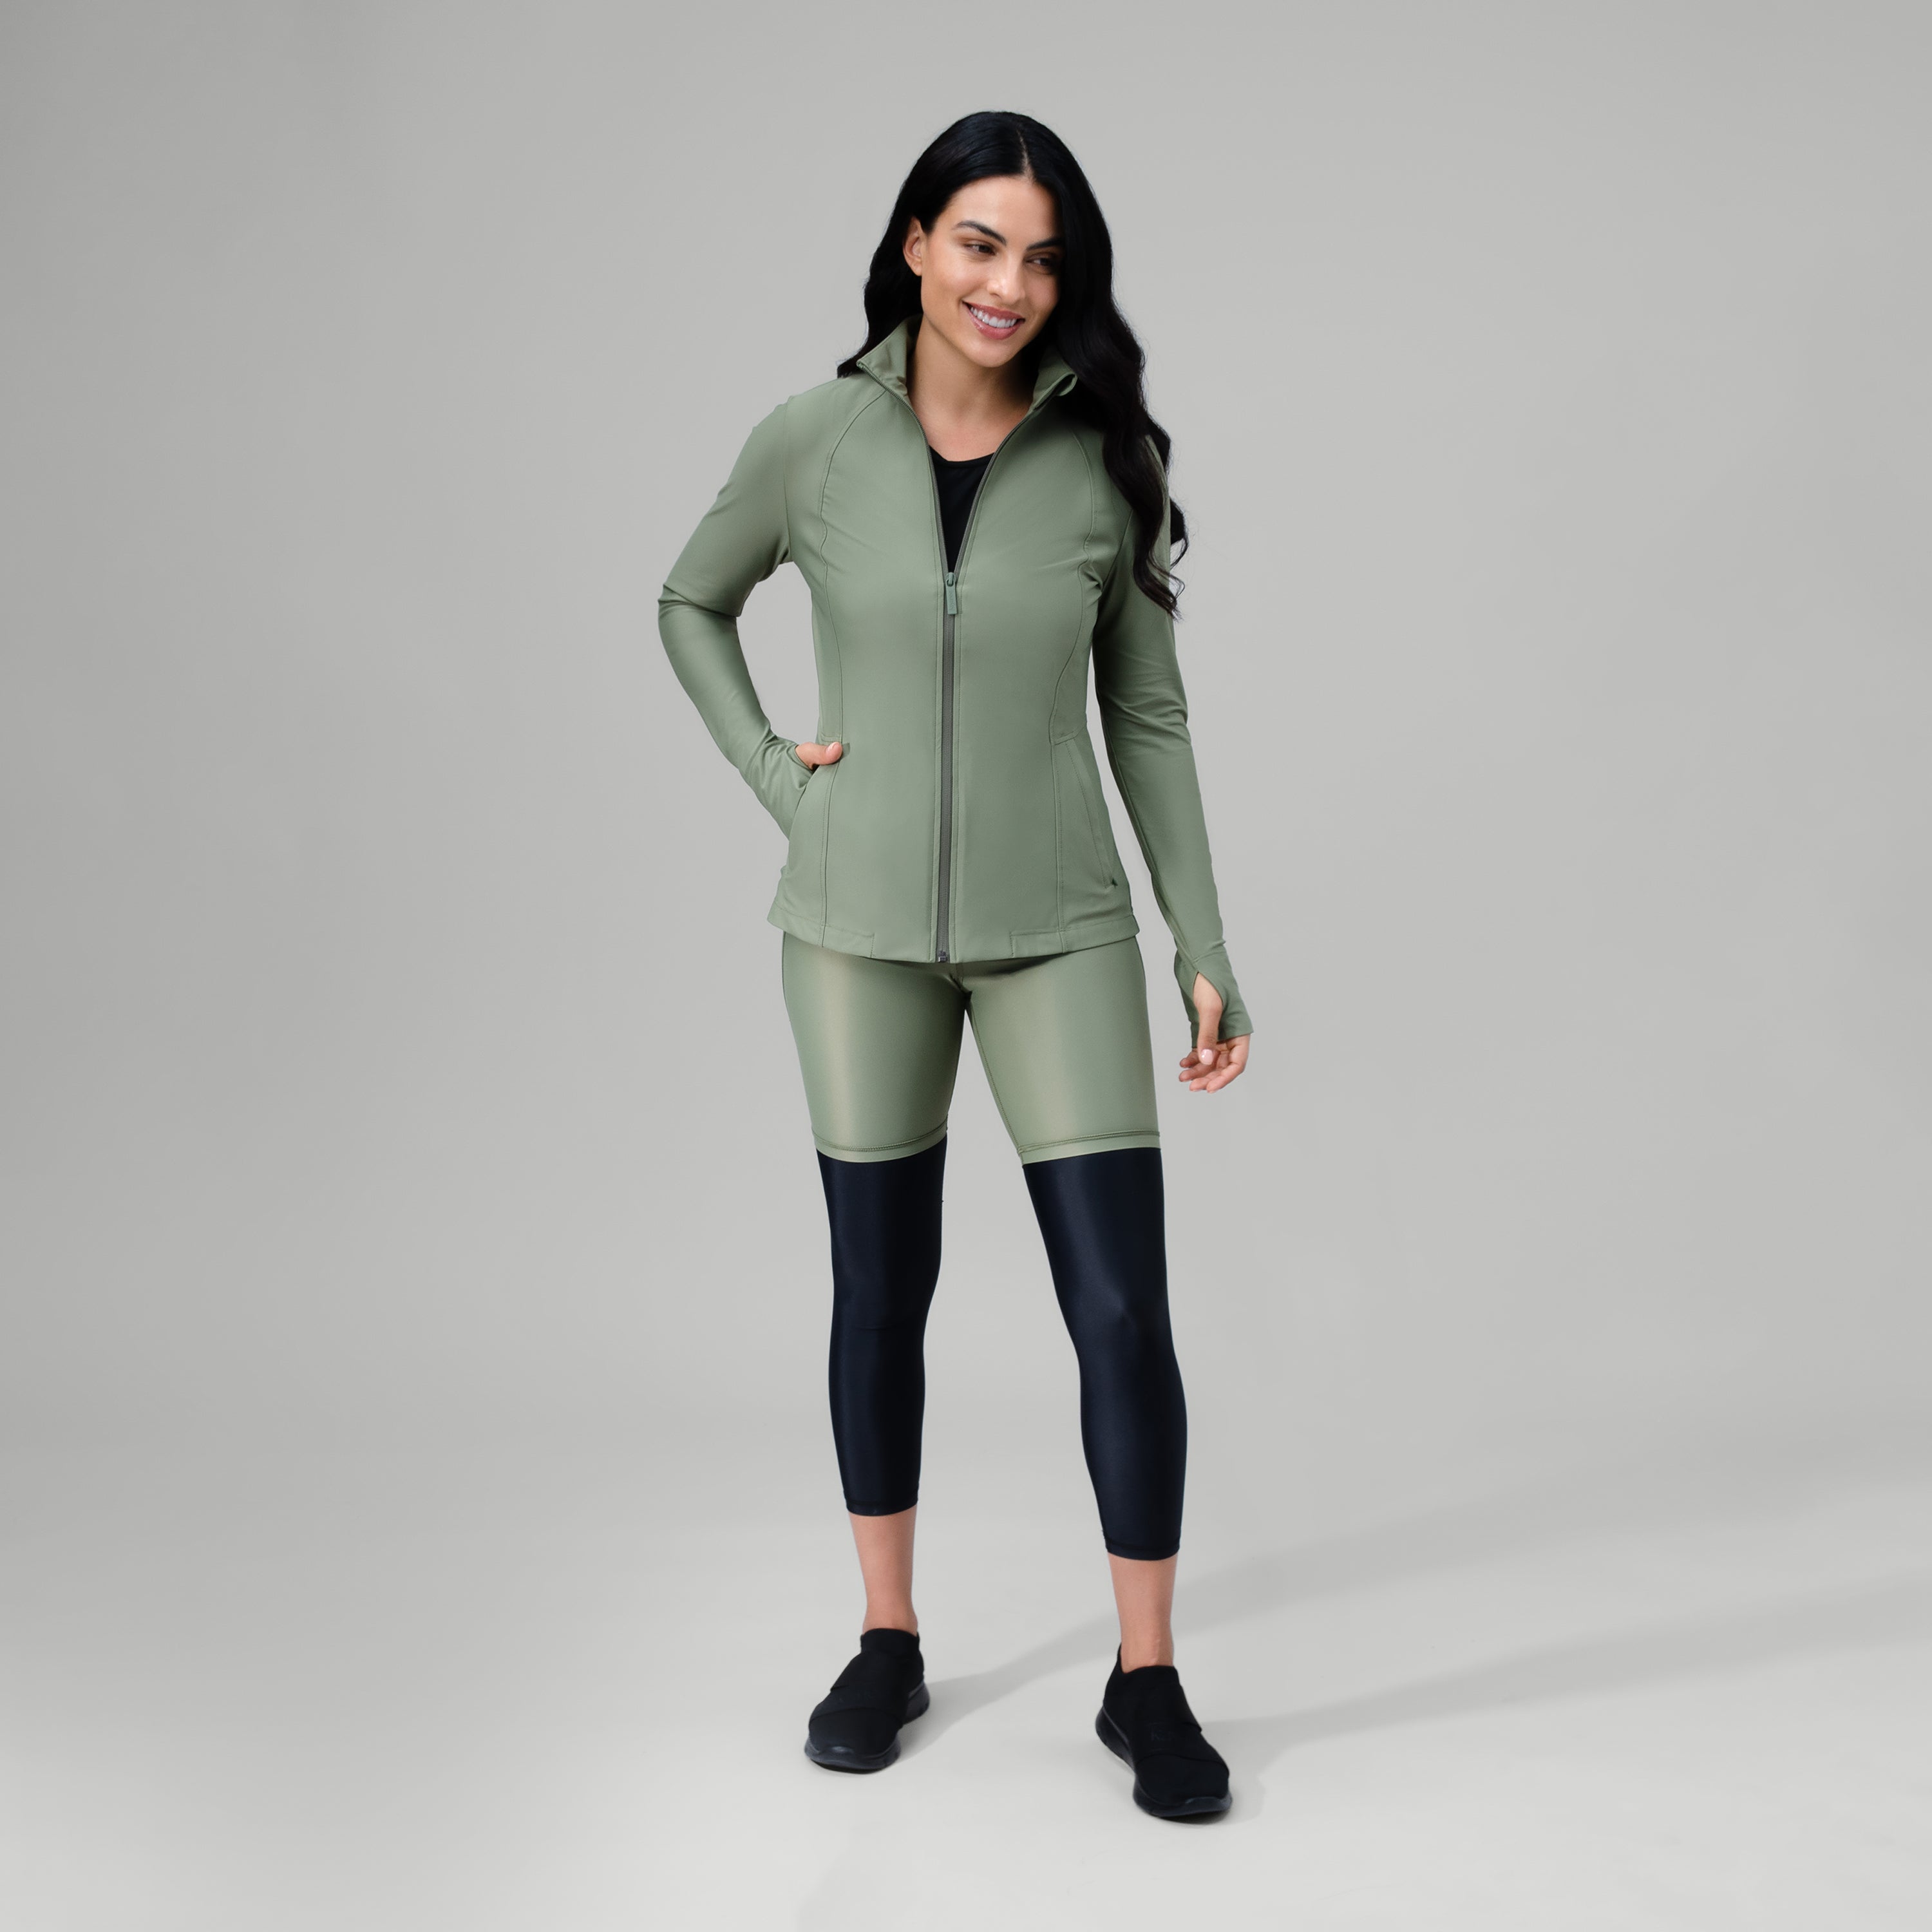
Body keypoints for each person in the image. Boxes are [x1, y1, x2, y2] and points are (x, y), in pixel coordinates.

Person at [659, 110, 1251, 1821]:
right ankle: (887, 1639)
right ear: (916, 243)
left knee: (1121, 1305)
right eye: (981, 243)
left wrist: (1203, 942)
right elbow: (691, 603)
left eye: (1045, 258)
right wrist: (780, 778)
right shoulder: (811, 440)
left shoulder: (1101, 462)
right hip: (853, 943)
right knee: (880, 1289)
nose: (1011, 284)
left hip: (1059, 930)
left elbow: (1147, 713)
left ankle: (1148, 1680)